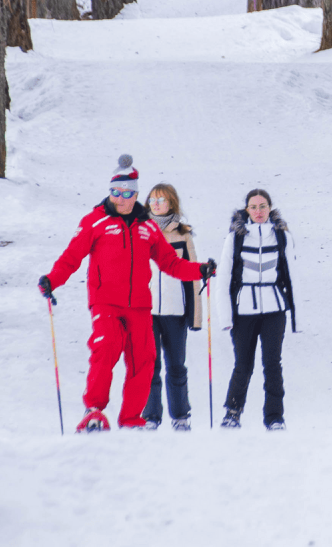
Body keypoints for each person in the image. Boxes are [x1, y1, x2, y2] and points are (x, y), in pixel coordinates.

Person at [37, 155, 216, 432]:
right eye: (115, 192)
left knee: (144, 359)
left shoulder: (147, 227)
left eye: (126, 193)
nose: (120, 198)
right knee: (106, 347)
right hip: (106, 302)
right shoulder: (95, 221)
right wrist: (52, 280)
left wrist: (200, 270)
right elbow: (72, 256)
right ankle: (94, 410)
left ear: (135, 196)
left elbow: (170, 263)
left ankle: (132, 418)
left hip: (140, 306)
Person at [214, 188, 297, 431]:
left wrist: (296, 315)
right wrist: (225, 317)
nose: (258, 211)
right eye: (253, 207)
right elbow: (224, 278)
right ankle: (232, 413)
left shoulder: (282, 236)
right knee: (243, 364)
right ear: (247, 209)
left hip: (274, 309)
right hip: (243, 311)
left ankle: (275, 417)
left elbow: (293, 276)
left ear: (270, 208)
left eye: (262, 206)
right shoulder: (235, 238)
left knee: (272, 364)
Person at [141, 183, 202, 431]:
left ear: (171, 204)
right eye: (152, 200)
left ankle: (180, 416)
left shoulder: (182, 235)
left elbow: (192, 276)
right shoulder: (138, 231)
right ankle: (150, 416)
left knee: (176, 365)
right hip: (145, 312)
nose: (156, 205)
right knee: (149, 366)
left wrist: (195, 316)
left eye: (162, 200)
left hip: (175, 312)